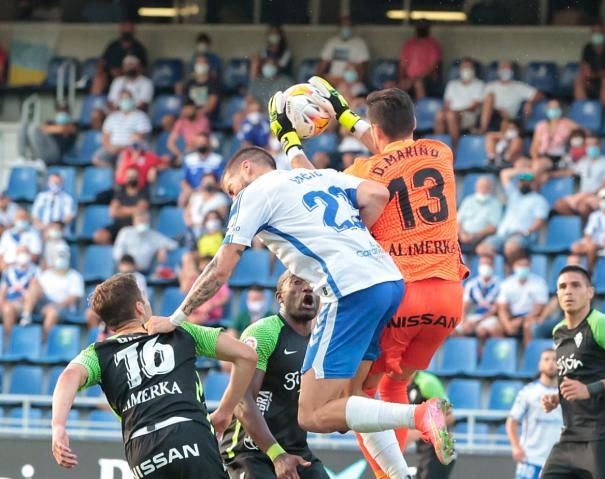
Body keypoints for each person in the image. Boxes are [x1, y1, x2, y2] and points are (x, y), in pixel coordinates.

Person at [146, 144, 454, 475]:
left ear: (247, 168)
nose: (234, 196)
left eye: (232, 188)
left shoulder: (254, 193)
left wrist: (176, 317)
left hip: (348, 290)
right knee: (356, 397)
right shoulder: (318, 176)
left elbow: (220, 269)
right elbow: (377, 194)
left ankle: (420, 414)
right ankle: (399, 475)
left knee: (311, 415)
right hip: (389, 280)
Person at [283, 82, 466, 477]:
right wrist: (347, 116)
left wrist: (290, 142)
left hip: (402, 293)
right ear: (414, 122)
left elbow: (314, 190)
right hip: (448, 298)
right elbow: (390, 148)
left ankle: (395, 468)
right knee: (394, 385)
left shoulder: (363, 172)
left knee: (356, 399)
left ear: (376, 131)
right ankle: (420, 426)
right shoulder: (441, 152)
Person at [50, 274, 257, 477]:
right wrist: (225, 411)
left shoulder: (98, 354)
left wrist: (58, 426)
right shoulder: (179, 331)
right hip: (189, 434)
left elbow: (68, 377)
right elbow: (247, 356)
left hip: (142, 450)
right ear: (139, 307)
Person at [218, 272, 329, 478]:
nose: (307, 288)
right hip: (249, 451)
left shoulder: (320, 343)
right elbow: (242, 400)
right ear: (280, 297)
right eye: (297, 283)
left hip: (295, 449)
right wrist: (277, 455)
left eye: (313, 284)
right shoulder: (263, 332)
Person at [540, 265, 605, 479]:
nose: (568, 291)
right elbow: (579, 376)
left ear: (590, 292)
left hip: (603, 436)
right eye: (562, 287)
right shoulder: (558, 332)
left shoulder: (602, 325)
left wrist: (590, 390)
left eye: (576, 285)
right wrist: (558, 397)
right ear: (557, 294)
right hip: (569, 437)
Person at [507, 349, 562, 479]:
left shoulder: (565, 393)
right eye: (546, 359)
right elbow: (512, 421)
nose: (551, 363)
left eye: (555, 360)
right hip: (531, 458)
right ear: (539, 364)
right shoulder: (528, 392)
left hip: (557, 459)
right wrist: (516, 447)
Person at [478, 165, 549, 263]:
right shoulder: (514, 194)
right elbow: (504, 174)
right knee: (482, 248)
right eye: (521, 181)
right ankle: (505, 267)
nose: (523, 183)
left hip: (522, 236)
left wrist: (527, 231)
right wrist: (523, 170)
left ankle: (513, 270)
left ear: (534, 183)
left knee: (511, 247)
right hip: (503, 234)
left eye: (527, 181)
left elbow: (540, 220)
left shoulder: (539, 200)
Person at [19, 243, 83, 338]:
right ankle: (26, 315)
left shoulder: (75, 276)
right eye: (58, 256)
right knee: (34, 284)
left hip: (62, 307)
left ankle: (44, 343)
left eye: (63, 255)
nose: (60, 258)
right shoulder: (45, 274)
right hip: (44, 304)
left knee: (52, 312)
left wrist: (55, 305)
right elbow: (36, 292)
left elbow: (73, 298)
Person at [405, 371, 456, 479]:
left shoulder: (427, 383)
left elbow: (449, 417)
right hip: (423, 451)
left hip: (439, 450)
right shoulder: (400, 386)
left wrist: (417, 433)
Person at [553, 134, 605, 219]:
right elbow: (571, 172)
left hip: (598, 196)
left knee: (583, 207)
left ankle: (585, 229)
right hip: (582, 195)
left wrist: (587, 195)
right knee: (559, 205)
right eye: (588, 145)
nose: (591, 147)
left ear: (599, 145)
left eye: (594, 144)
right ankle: (576, 223)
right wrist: (549, 174)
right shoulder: (583, 161)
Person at [494, 256, 550, 343]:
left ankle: (529, 353)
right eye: (520, 265)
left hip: (531, 316)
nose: (523, 268)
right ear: (514, 266)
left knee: (528, 326)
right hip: (512, 317)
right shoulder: (506, 283)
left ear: (530, 266)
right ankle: (505, 354)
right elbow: (502, 308)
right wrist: (507, 324)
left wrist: (522, 320)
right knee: (495, 327)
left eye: (526, 265)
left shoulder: (539, 282)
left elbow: (539, 308)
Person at [86, 254, 148, 330]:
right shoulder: (117, 277)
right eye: (124, 264)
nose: (126, 267)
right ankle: (99, 334)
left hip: (130, 306)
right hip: (117, 305)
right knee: (91, 313)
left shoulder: (139, 278)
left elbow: (140, 296)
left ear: (133, 266)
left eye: (128, 264)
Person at [93, 90, 152, 168]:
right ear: (119, 101)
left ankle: (120, 176)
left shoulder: (141, 116)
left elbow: (140, 138)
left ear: (132, 100)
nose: (125, 101)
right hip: (112, 148)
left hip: (131, 149)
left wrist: (121, 148)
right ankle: (112, 174)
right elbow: (105, 137)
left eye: (127, 98)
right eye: (122, 99)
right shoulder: (112, 117)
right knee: (96, 159)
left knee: (123, 159)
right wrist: (110, 148)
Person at [435, 58, 485, 148]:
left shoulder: (479, 84)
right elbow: (447, 104)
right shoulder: (452, 84)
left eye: (468, 67)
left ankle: (455, 147)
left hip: (469, 115)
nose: (466, 70)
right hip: (452, 113)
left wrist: (455, 112)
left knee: (451, 115)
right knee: (440, 114)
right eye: (464, 67)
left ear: (473, 69)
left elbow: (474, 107)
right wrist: (449, 111)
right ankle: (438, 148)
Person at [94, 166, 150, 245]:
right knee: (99, 236)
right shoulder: (120, 192)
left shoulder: (143, 192)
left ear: (139, 177)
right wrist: (132, 210)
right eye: (129, 176)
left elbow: (140, 210)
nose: (132, 178)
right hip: (118, 225)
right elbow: (113, 212)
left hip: (133, 226)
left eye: (134, 176)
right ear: (125, 178)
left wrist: (120, 210)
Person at [480, 60, 539, 133]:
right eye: (503, 68)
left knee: (507, 122)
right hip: (489, 116)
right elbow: (482, 104)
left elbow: (539, 94)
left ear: (512, 71)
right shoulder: (490, 86)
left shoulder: (519, 86)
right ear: (499, 71)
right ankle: (483, 129)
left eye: (508, 68)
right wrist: (499, 110)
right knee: (490, 97)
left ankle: (484, 131)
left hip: (508, 119)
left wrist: (530, 102)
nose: (505, 70)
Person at [112, 209, 178, 273]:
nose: (142, 222)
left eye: (145, 220)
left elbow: (174, 245)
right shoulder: (125, 232)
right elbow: (117, 251)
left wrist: (163, 248)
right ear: (134, 220)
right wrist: (126, 262)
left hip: (141, 271)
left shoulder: (154, 235)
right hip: (124, 269)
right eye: (140, 220)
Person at [92, 22, 148, 96]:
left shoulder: (138, 48)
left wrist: (125, 72)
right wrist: (102, 71)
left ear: (133, 30)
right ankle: (95, 102)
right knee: (99, 78)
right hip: (110, 77)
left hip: (129, 76)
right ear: (121, 29)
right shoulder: (113, 46)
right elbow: (102, 62)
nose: (127, 31)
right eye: (125, 28)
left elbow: (143, 68)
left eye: (129, 29)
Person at [571, 187, 605, 271]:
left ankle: (589, 271)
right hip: (593, 242)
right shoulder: (594, 215)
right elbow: (588, 232)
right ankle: (573, 271)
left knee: (592, 247)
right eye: (603, 199)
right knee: (575, 247)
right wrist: (588, 242)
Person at [529, 99, 578, 175]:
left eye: (556, 108)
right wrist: (535, 159)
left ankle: (527, 183)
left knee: (537, 166)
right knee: (520, 163)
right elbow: (534, 147)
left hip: (556, 158)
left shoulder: (567, 123)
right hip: (541, 157)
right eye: (551, 108)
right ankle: (525, 182)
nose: (553, 110)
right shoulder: (541, 125)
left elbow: (583, 133)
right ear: (547, 110)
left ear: (560, 110)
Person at [179, 255, 230, 326]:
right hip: (195, 311)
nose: (205, 266)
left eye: (207, 263)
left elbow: (225, 297)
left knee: (191, 320)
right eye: (203, 263)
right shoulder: (195, 280)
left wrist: (211, 305)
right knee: (186, 317)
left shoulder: (219, 281)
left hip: (212, 313)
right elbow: (184, 291)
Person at [458, 255, 501, 339]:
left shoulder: (499, 284)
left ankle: (482, 351)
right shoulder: (472, 284)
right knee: (453, 331)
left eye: (487, 264)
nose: (485, 266)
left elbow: (497, 308)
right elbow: (465, 305)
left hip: (489, 317)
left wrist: (479, 321)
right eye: (482, 264)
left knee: (482, 330)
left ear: (493, 266)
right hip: (473, 317)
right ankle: (462, 350)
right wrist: (464, 320)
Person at [1, 246, 38, 339]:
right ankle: (6, 341)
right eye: (21, 252)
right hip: (10, 303)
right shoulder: (8, 270)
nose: (23, 255)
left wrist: (21, 300)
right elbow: (3, 289)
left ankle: (26, 315)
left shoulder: (36, 270)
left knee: (34, 287)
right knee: (7, 309)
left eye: (25, 252)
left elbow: (37, 291)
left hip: (26, 303)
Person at [457, 175, 503, 253]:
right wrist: (462, 234)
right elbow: (458, 221)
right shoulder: (468, 200)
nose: (483, 188)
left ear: (490, 188)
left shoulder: (495, 204)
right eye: (481, 186)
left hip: (481, 237)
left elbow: (493, 227)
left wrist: (475, 235)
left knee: (484, 250)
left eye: (486, 186)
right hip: (462, 235)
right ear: (476, 187)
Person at [317, 17, 370, 84]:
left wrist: (357, 81)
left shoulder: (359, 43)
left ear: (352, 27)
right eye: (343, 25)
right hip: (333, 78)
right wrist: (317, 78)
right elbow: (323, 63)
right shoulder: (332, 42)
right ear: (339, 27)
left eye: (348, 26)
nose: (346, 28)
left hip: (351, 80)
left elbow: (363, 67)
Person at [398, 20, 442, 100]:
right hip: (409, 78)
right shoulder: (410, 43)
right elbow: (403, 64)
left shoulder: (432, 44)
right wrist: (402, 79)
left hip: (428, 79)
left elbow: (432, 67)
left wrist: (413, 80)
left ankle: (420, 110)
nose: (421, 29)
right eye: (419, 27)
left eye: (423, 27)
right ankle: (399, 111)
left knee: (418, 83)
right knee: (392, 86)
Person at [179, 133, 225, 206]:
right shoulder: (189, 159)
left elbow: (223, 182)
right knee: (183, 196)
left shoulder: (218, 160)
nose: (201, 145)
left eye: (203, 142)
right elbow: (183, 180)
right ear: (195, 144)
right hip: (193, 191)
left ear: (209, 143)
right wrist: (190, 190)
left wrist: (211, 188)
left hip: (212, 191)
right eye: (199, 143)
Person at [184, 173, 229, 238]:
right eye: (205, 182)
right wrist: (190, 224)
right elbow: (186, 214)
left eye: (210, 182)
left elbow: (216, 218)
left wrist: (198, 225)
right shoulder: (196, 196)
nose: (208, 184)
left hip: (210, 233)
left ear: (216, 183)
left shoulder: (221, 198)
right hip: (191, 231)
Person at [179, 54, 221, 120]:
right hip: (190, 115)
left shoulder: (214, 83)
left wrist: (195, 113)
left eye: (203, 63)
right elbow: (185, 103)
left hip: (206, 116)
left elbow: (210, 106)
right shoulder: (190, 83)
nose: (200, 65)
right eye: (198, 63)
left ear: (207, 65)